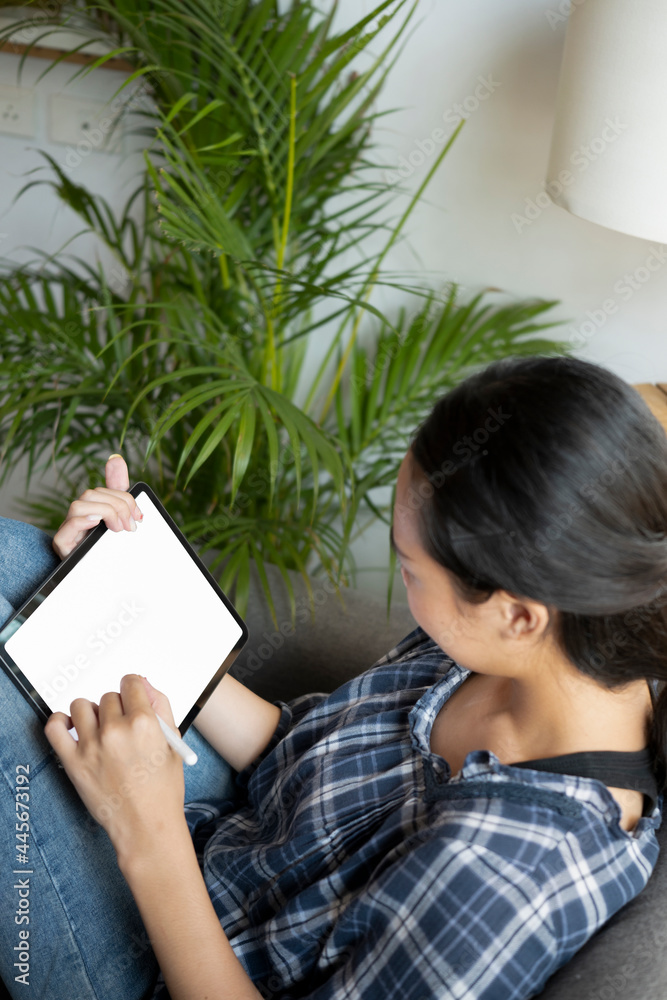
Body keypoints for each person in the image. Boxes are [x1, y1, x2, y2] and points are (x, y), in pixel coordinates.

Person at [0, 353, 665, 1000]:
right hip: (217, 833)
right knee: (19, 559)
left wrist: (146, 828)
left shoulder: (509, 877)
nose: (402, 586)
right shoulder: (522, 650)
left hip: (164, 954)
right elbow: (290, 750)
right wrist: (129, 605)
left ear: (516, 614)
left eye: (409, 569)